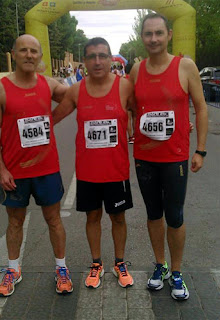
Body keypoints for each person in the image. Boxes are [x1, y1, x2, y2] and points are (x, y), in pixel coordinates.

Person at [0, 34, 73, 297]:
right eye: (23, 50)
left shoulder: (48, 84)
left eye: (34, 51)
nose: (29, 55)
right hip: (14, 172)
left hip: (46, 169)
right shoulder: (0, 89)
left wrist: (53, 118)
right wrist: (1, 170)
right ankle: (13, 269)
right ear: (13, 54)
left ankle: (61, 268)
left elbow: (78, 98)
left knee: (54, 220)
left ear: (40, 57)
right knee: (15, 222)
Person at [130, 13, 208, 300]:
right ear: (142, 37)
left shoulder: (185, 66)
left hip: (175, 157)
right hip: (144, 157)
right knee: (153, 214)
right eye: (148, 34)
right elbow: (127, 105)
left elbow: (200, 108)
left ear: (169, 35)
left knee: (174, 216)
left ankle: (176, 271)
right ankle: (160, 266)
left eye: (159, 33)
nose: (153, 39)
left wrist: (200, 149)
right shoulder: (137, 70)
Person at [53, 37, 135, 289]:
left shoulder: (125, 87)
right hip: (88, 172)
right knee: (92, 217)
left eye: (102, 55)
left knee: (118, 218)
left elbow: (148, 110)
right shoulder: (77, 90)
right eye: (91, 56)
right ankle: (96, 263)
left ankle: (119, 263)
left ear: (111, 59)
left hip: (116, 170)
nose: (97, 61)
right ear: (85, 61)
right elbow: (52, 118)